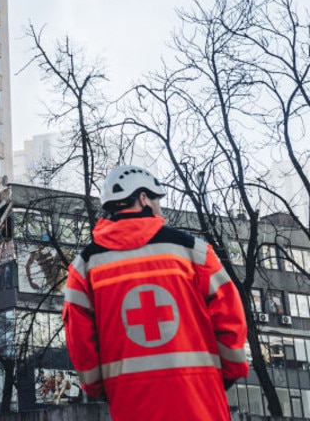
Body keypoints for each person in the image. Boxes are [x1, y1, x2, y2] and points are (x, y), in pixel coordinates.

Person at [63, 165, 249, 420]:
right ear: (143, 199)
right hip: (200, 399)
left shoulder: (84, 268)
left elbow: (81, 343)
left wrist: (99, 387)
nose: (160, 209)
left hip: (131, 404)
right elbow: (230, 318)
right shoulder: (193, 251)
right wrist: (229, 372)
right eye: (156, 200)